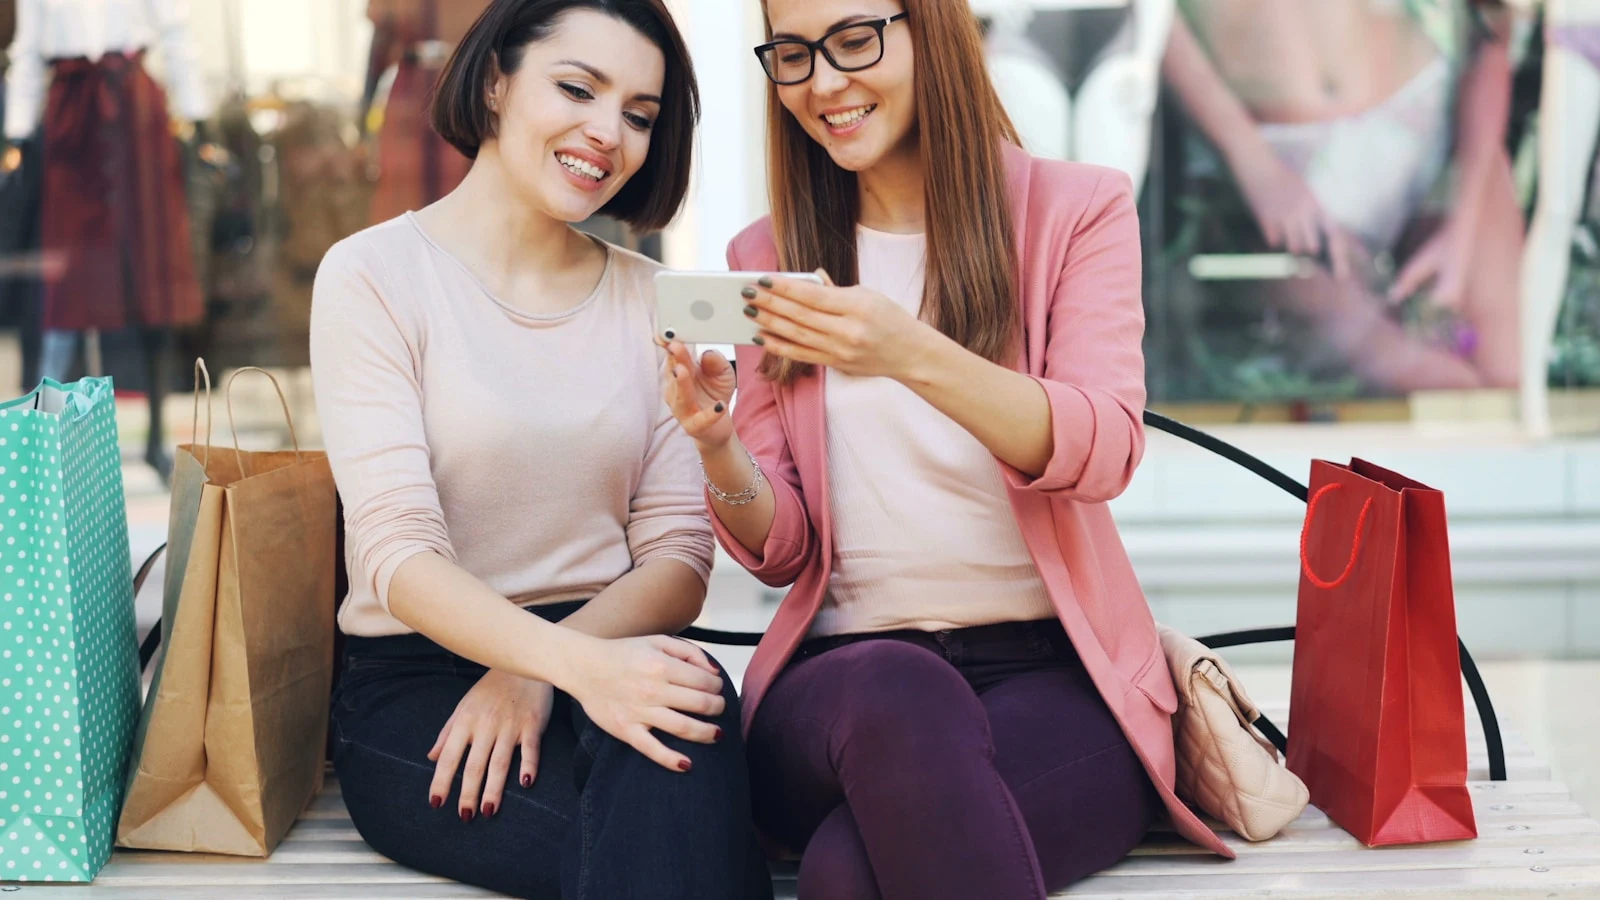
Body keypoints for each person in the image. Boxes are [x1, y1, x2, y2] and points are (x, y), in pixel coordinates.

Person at [659, 1, 1233, 897]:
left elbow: (1105, 447)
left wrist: (909, 353)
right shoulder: (769, 255)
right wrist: (718, 446)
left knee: (846, 876)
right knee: (897, 688)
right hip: (844, 688)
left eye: (855, 40)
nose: (825, 83)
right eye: (794, 54)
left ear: (934, 30)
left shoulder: (1074, 212)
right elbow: (784, 552)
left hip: (1049, 676)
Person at [309, 2, 770, 897]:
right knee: (664, 848)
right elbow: (397, 554)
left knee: (684, 715)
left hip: (616, 645)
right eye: (577, 88)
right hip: (420, 688)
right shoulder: (370, 276)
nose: (608, 133)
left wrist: (545, 674)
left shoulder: (661, 298)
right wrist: (539, 663)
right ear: (494, 81)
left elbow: (678, 560)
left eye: (640, 115)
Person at [1161, 0, 1523, 393]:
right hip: (1263, 155)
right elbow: (1144, 15)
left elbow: (1491, 26)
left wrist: (1462, 222)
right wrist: (1251, 161)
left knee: (1507, 384)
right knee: (1437, 384)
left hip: (1428, 117)